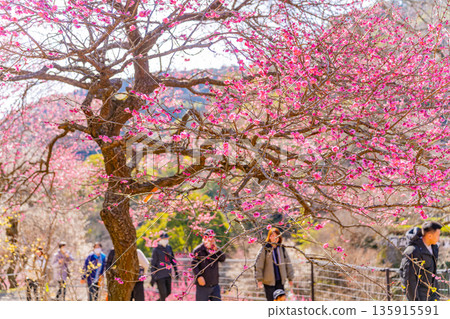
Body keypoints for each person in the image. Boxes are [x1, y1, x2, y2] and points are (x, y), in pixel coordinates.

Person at [400, 221, 442, 301]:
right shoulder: (412, 251)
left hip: (432, 297)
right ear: (429, 236)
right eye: (438, 235)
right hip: (419, 299)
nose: (439, 238)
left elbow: (432, 272)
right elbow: (409, 281)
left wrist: (436, 295)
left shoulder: (434, 248)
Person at [255, 227, 295, 301]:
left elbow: (288, 263)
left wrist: (290, 278)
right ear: (269, 237)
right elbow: (259, 264)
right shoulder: (265, 248)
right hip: (268, 282)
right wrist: (259, 279)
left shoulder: (282, 248)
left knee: (281, 301)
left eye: (276, 236)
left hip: (280, 281)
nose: (274, 238)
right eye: (272, 236)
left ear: (279, 237)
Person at [191, 229, 226, 301]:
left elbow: (223, 259)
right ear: (204, 238)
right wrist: (199, 276)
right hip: (203, 286)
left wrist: (217, 250)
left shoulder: (216, 250)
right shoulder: (198, 250)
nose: (211, 240)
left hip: (215, 284)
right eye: (209, 238)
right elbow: (194, 265)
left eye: (213, 238)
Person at [150, 232, 178, 301]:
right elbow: (153, 264)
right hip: (160, 276)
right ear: (160, 240)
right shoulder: (156, 249)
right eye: (164, 239)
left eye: (166, 238)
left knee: (168, 292)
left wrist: (176, 270)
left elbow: (172, 260)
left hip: (168, 274)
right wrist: (153, 277)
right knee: (163, 294)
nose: (165, 240)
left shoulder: (169, 248)